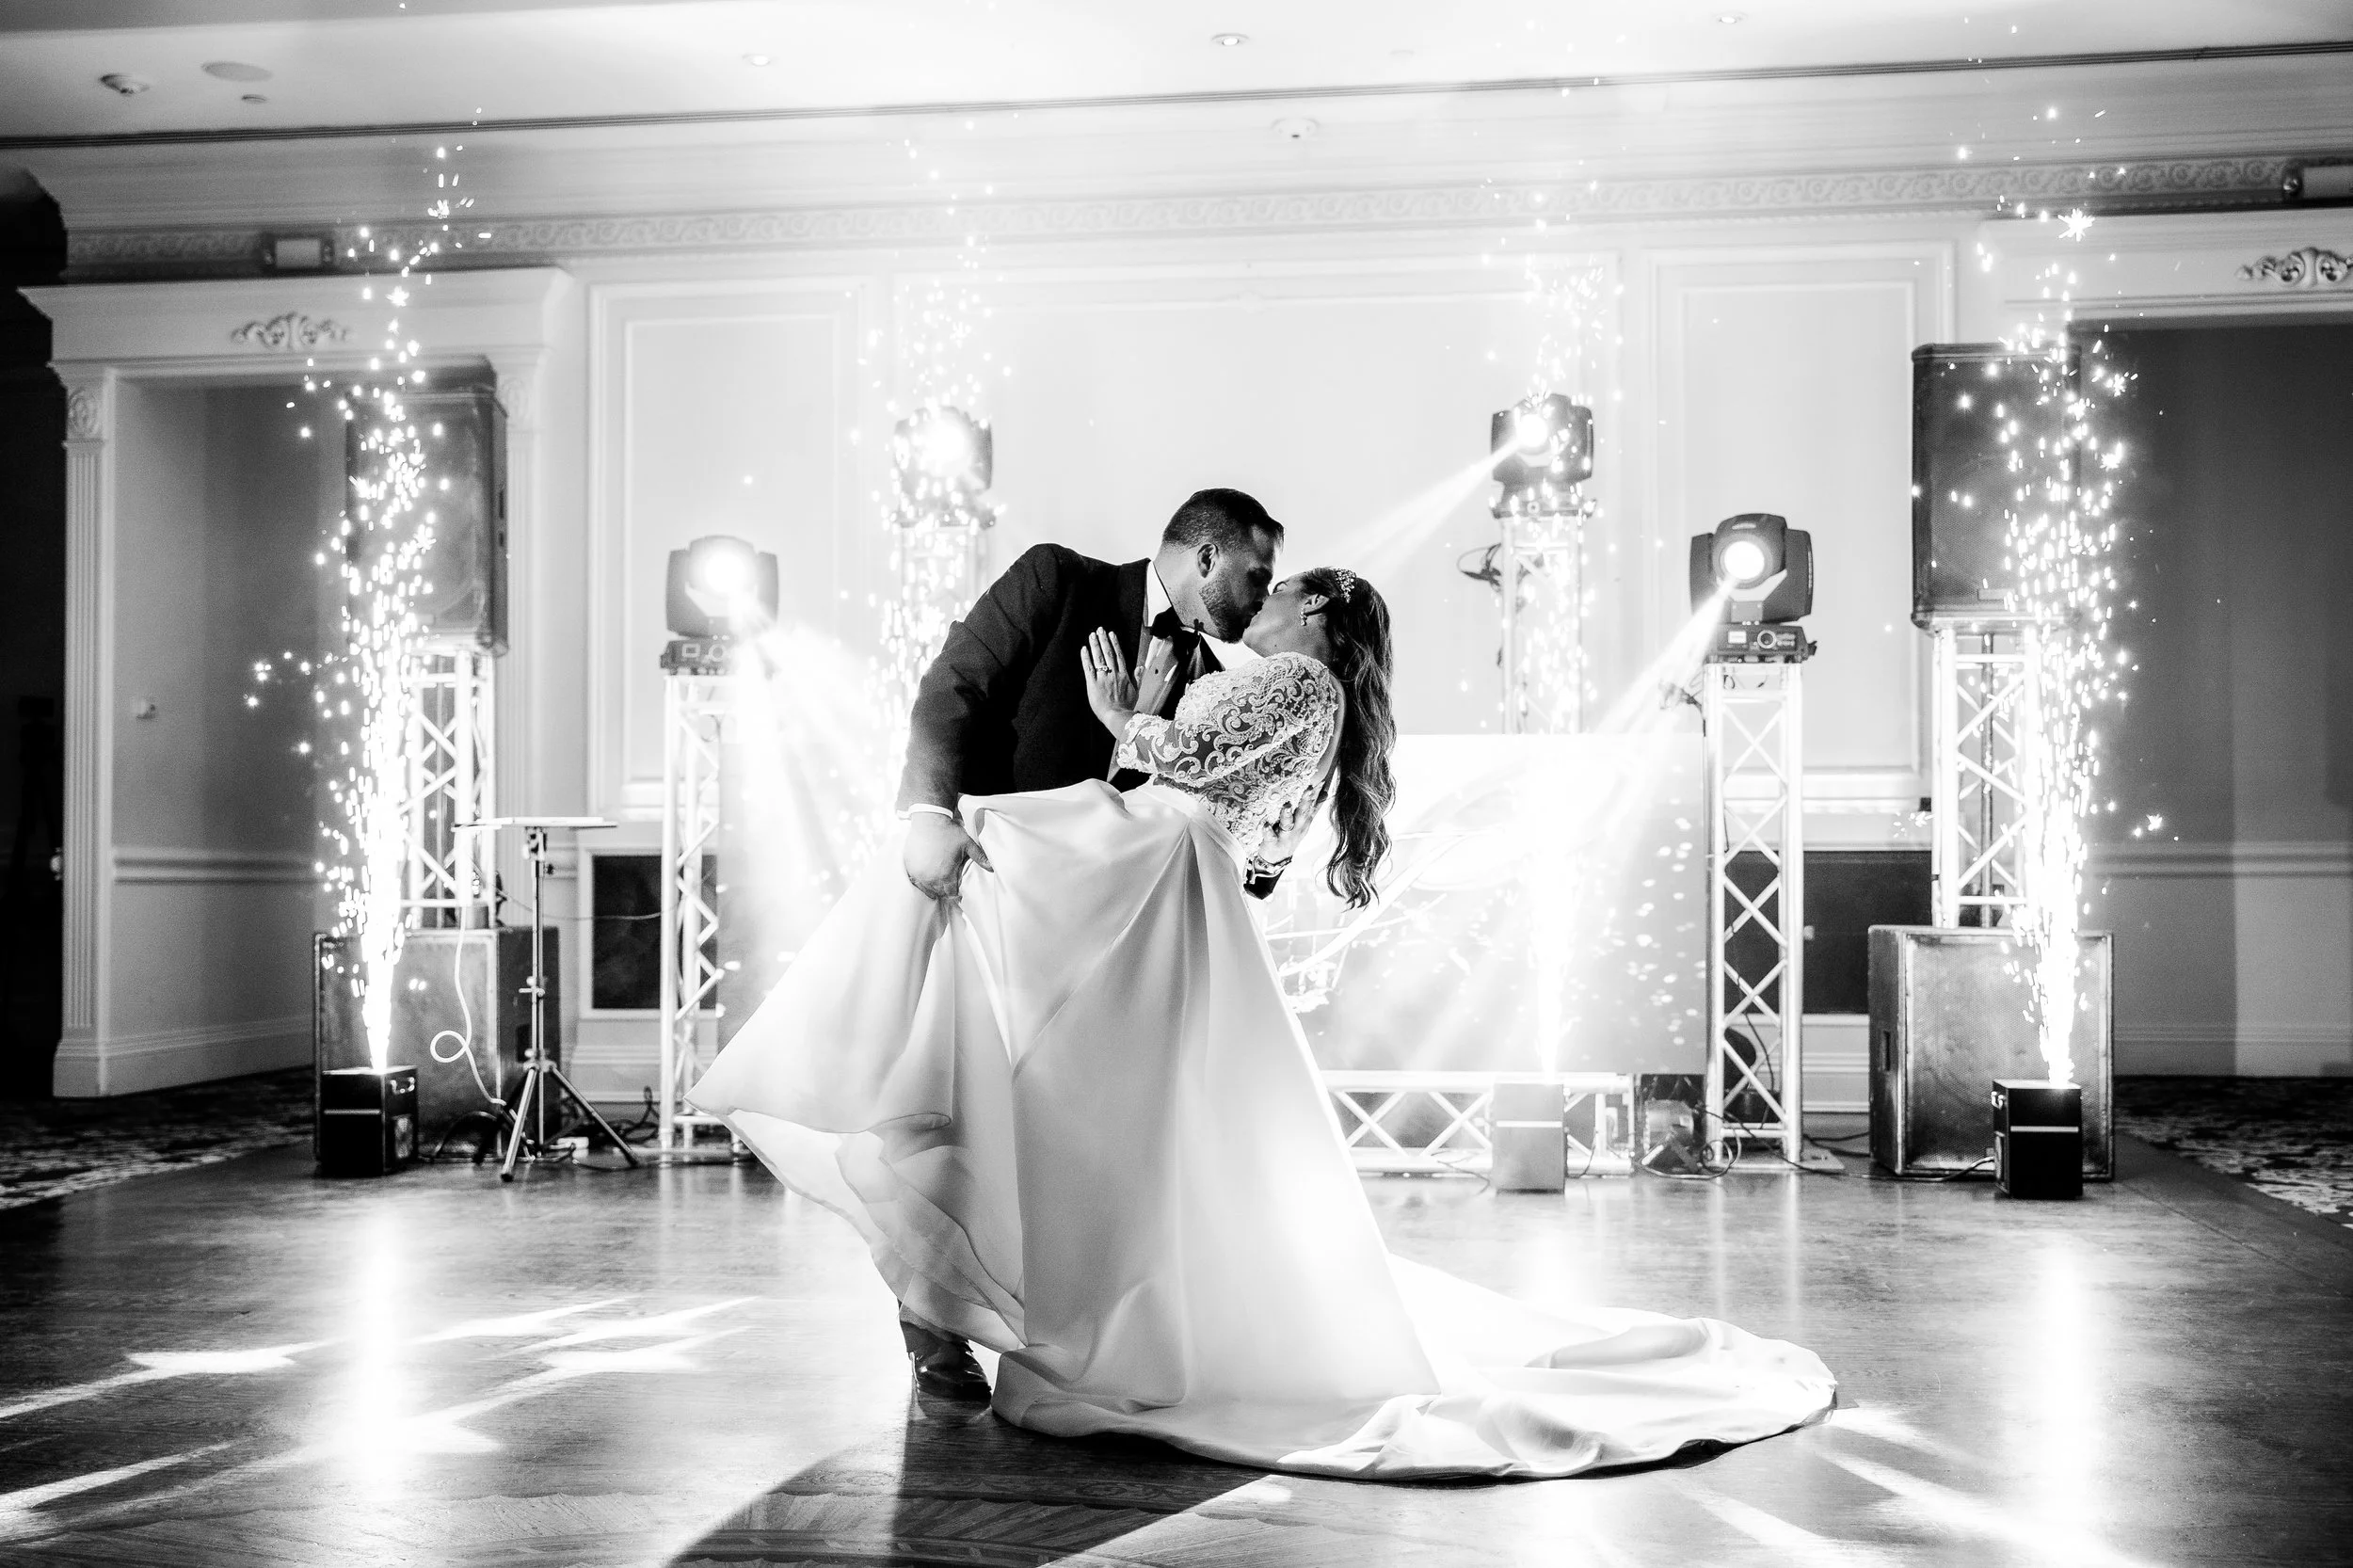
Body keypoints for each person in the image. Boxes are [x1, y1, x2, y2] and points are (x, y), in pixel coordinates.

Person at [690, 551, 1837, 1480]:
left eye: (1280, 590)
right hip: (1159, 872)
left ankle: (902, 1141)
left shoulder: (1303, 683)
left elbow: (1189, 764)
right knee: (1060, 1049)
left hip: (1153, 865)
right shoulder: (1278, 683)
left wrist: (1126, 716)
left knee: (985, 881)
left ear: (1319, 616)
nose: (1262, 602)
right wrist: (1136, 732)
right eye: (1260, 580)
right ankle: (965, 1239)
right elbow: (1248, 828)